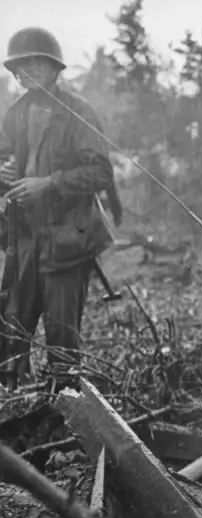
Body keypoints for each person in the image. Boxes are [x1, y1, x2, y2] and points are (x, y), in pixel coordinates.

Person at [0, 27, 114, 389]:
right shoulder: (15, 114)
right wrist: (4, 173)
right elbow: (7, 163)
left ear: (53, 67)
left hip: (67, 240)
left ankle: (66, 408)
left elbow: (100, 172)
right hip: (25, 239)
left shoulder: (77, 112)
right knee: (11, 327)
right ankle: (13, 402)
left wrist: (48, 184)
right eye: (18, 66)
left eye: (32, 63)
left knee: (62, 337)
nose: (23, 73)